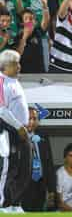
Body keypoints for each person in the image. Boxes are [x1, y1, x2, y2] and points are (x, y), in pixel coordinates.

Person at [0, 50, 30, 211]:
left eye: (18, 63)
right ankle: (3, 204)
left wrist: (23, 127)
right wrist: (18, 127)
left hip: (22, 132)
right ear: (5, 66)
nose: (19, 66)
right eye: (15, 64)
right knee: (8, 169)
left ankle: (14, 204)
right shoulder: (1, 82)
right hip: (8, 131)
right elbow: (1, 110)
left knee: (23, 170)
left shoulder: (14, 81)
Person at [21, 107, 56, 212]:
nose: (31, 122)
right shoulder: (15, 137)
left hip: (41, 185)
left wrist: (51, 190)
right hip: (23, 187)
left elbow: (49, 163)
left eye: (34, 118)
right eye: (28, 118)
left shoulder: (43, 136)